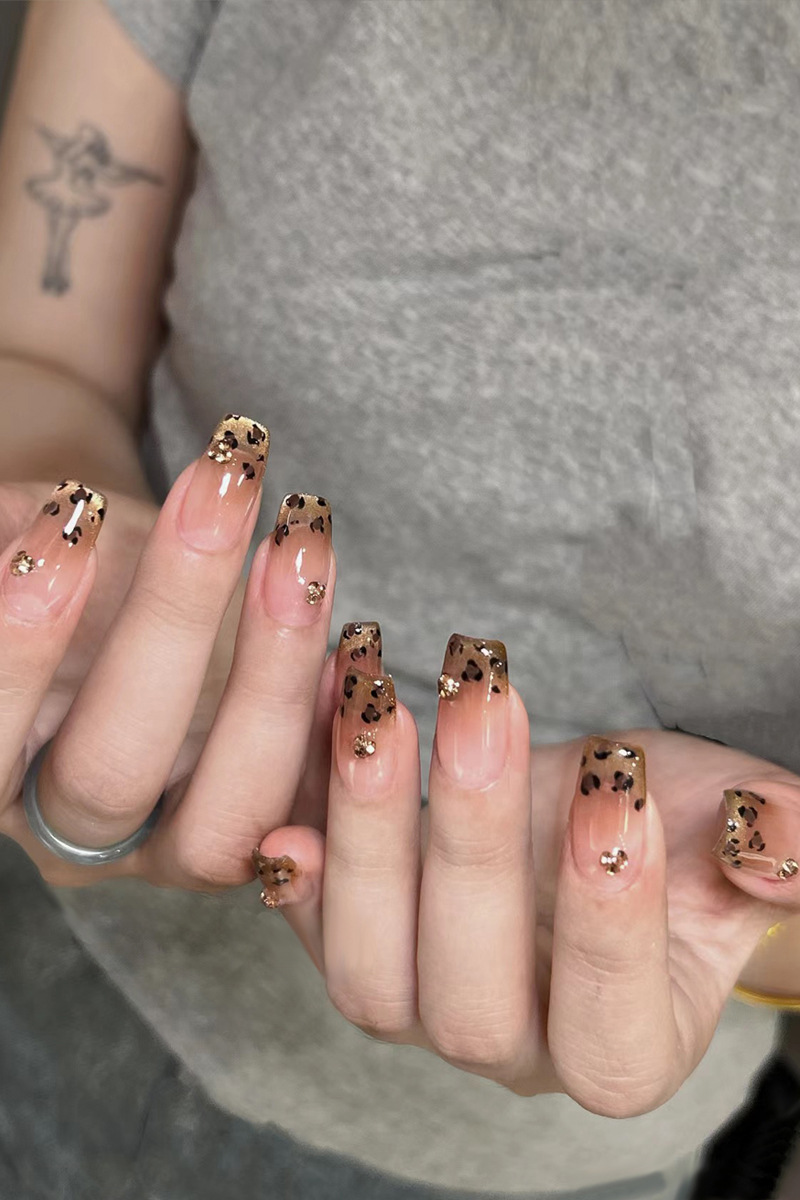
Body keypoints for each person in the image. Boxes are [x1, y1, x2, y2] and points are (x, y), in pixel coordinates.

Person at [0, 1, 798, 1197]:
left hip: (489, 1154)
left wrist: (736, 911)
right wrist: (74, 578)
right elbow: (42, 349)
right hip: (35, 950)